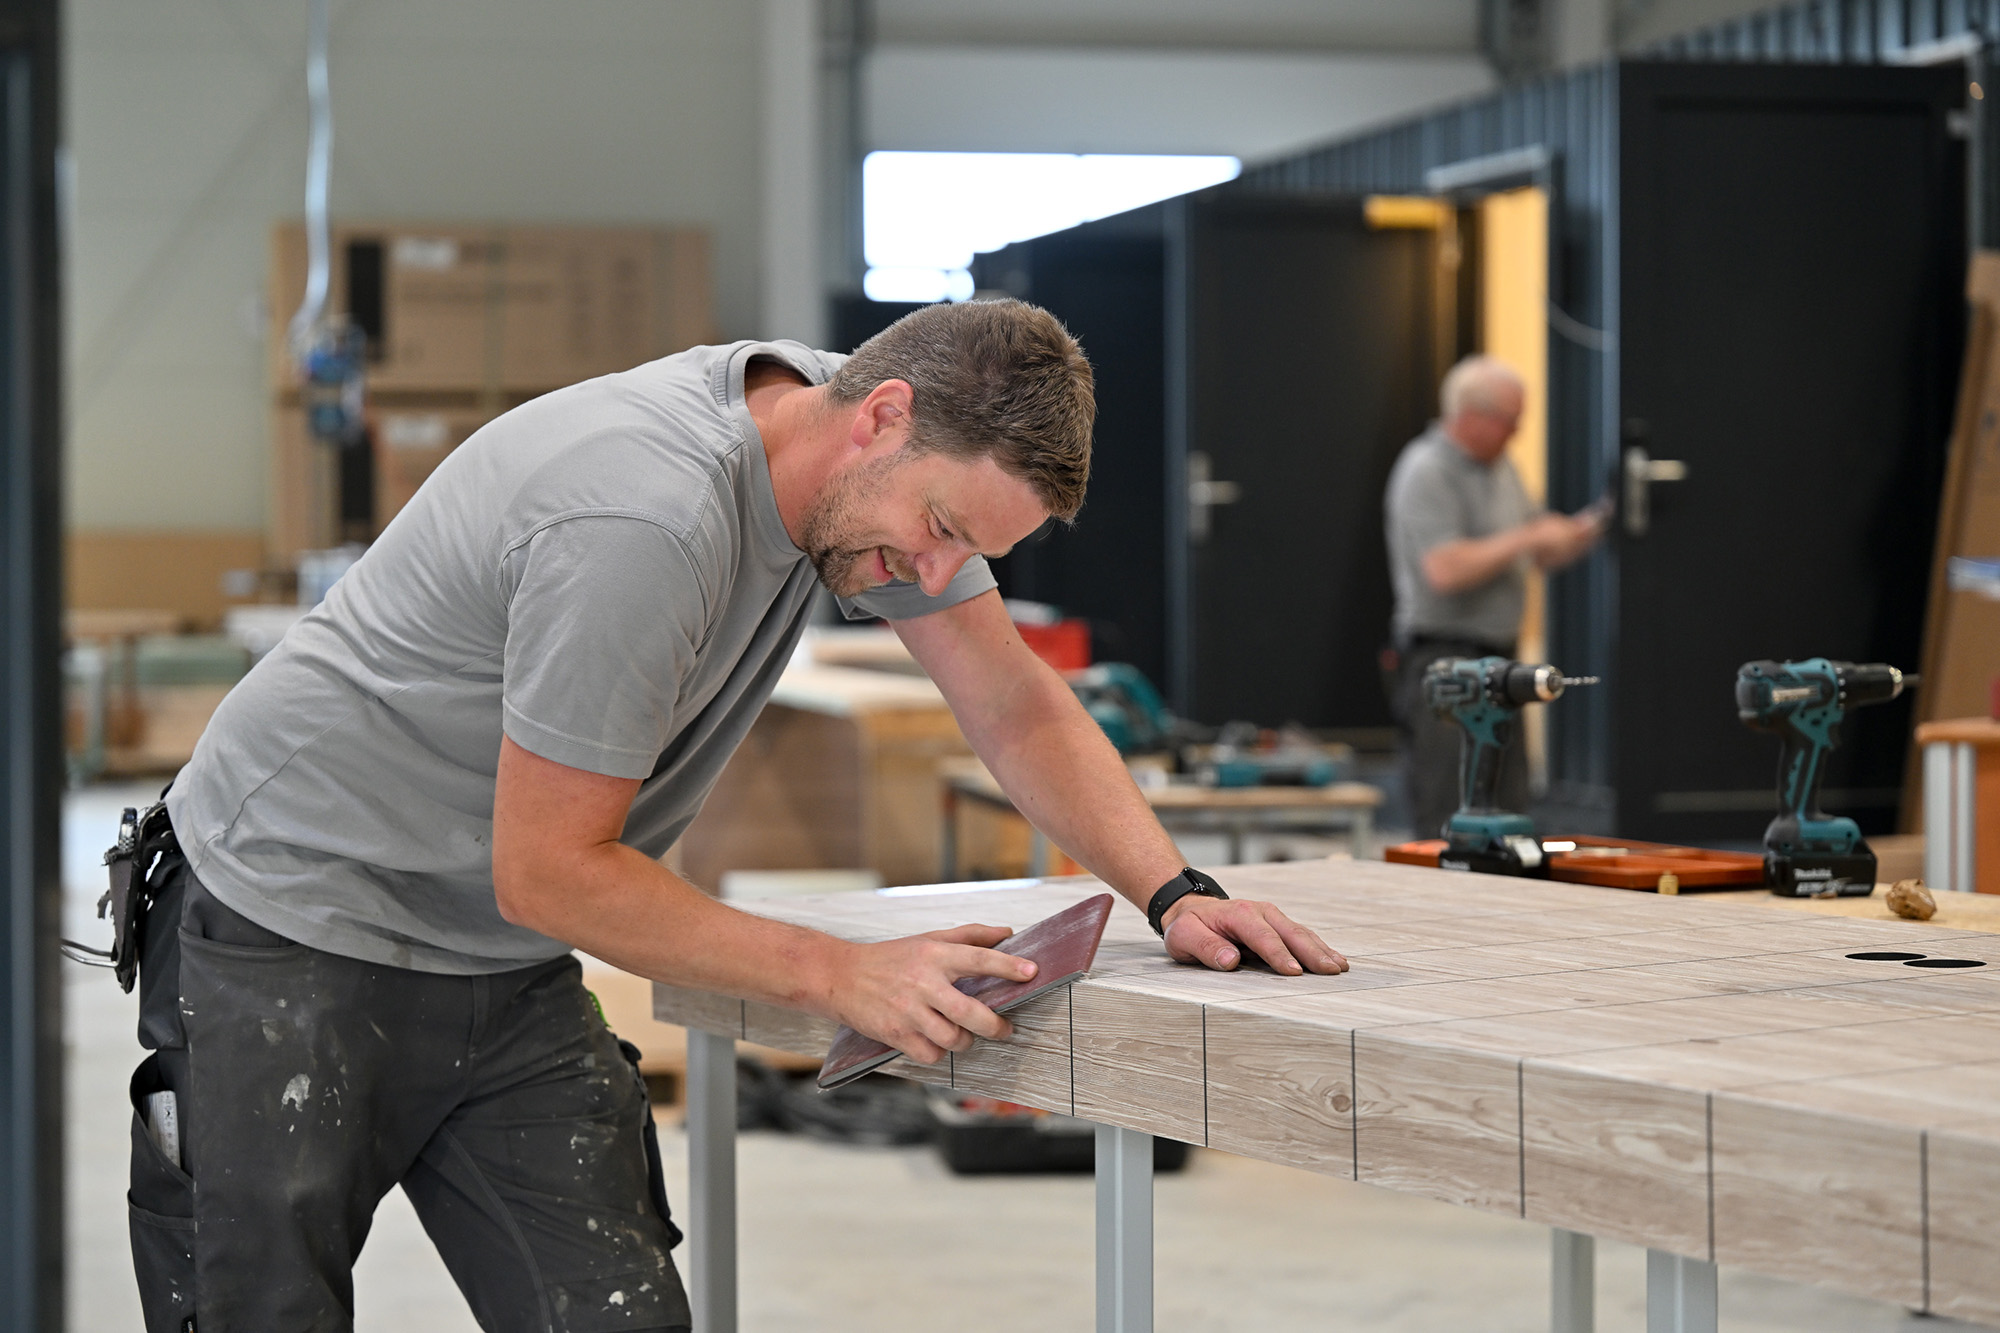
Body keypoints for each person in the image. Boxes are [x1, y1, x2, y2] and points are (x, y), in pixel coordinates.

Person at [126, 299, 1349, 1332]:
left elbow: (1011, 702)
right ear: (881, 417)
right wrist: (839, 973)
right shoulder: (642, 516)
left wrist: (1173, 892)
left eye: (971, 551)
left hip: (493, 956)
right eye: (939, 531)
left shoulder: (862, 435)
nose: (938, 577)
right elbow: (549, 872)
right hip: (289, 917)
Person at [1383, 354, 1605, 840]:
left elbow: (1535, 547)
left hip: (1502, 664)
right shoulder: (1425, 470)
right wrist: (1527, 536)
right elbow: (1445, 570)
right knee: (1448, 812)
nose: (1516, 433)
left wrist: (1585, 530)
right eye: (1509, 420)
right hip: (1445, 661)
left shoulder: (1504, 469)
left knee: (1508, 807)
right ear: (1469, 415)